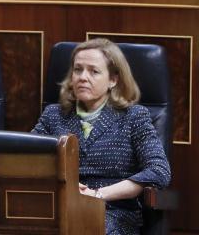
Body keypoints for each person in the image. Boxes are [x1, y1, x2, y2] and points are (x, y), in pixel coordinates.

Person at [32, 38, 171, 235]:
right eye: (78, 69)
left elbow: (159, 171)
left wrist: (97, 195)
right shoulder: (53, 115)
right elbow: (27, 161)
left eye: (94, 71)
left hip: (113, 213)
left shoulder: (133, 117)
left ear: (113, 80)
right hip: (57, 209)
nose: (82, 77)